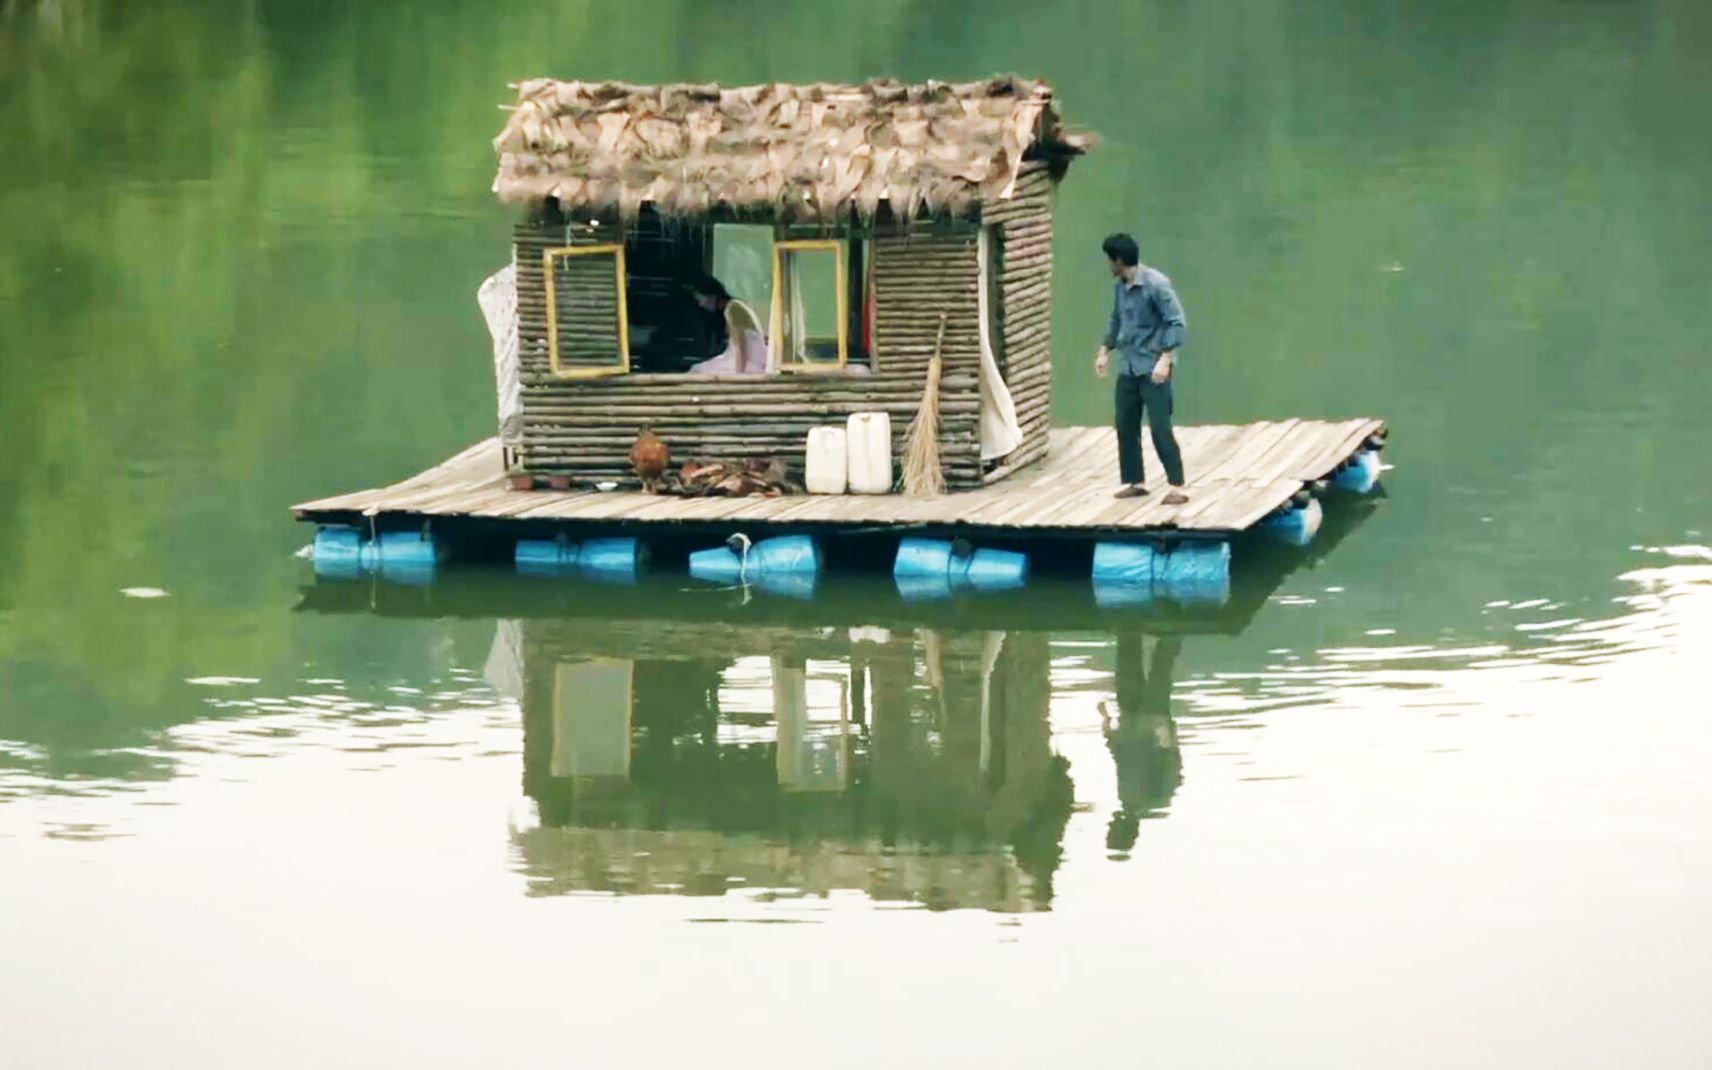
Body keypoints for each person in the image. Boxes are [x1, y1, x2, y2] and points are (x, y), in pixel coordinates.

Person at [1094, 233, 1189, 504]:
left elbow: (1176, 322)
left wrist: (1166, 358)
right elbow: (1115, 319)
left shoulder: (1156, 285)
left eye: (1109, 260)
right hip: (1129, 365)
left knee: (1160, 426)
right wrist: (1104, 351)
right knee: (1125, 424)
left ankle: (1177, 485)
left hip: (1153, 366)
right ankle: (1136, 481)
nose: (1108, 265)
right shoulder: (1120, 287)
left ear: (1119, 260)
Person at [1100, 632, 1183, 855]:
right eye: (1111, 828)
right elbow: (1173, 769)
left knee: (1127, 662)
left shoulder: (1126, 799)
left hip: (1129, 721)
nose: (1109, 823)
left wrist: (1107, 727)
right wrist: (1166, 736)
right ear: (1124, 829)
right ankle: (1174, 625)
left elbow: (1121, 760)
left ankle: (1131, 620)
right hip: (1152, 722)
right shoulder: (1157, 800)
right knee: (1161, 666)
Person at [686, 272, 769, 375]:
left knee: (697, 370)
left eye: (701, 299)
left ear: (712, 295)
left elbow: (740, 345)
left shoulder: (733, 309)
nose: (701, 304)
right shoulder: (735, 307)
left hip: (748, 362)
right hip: (748, 359)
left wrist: (739, 374)